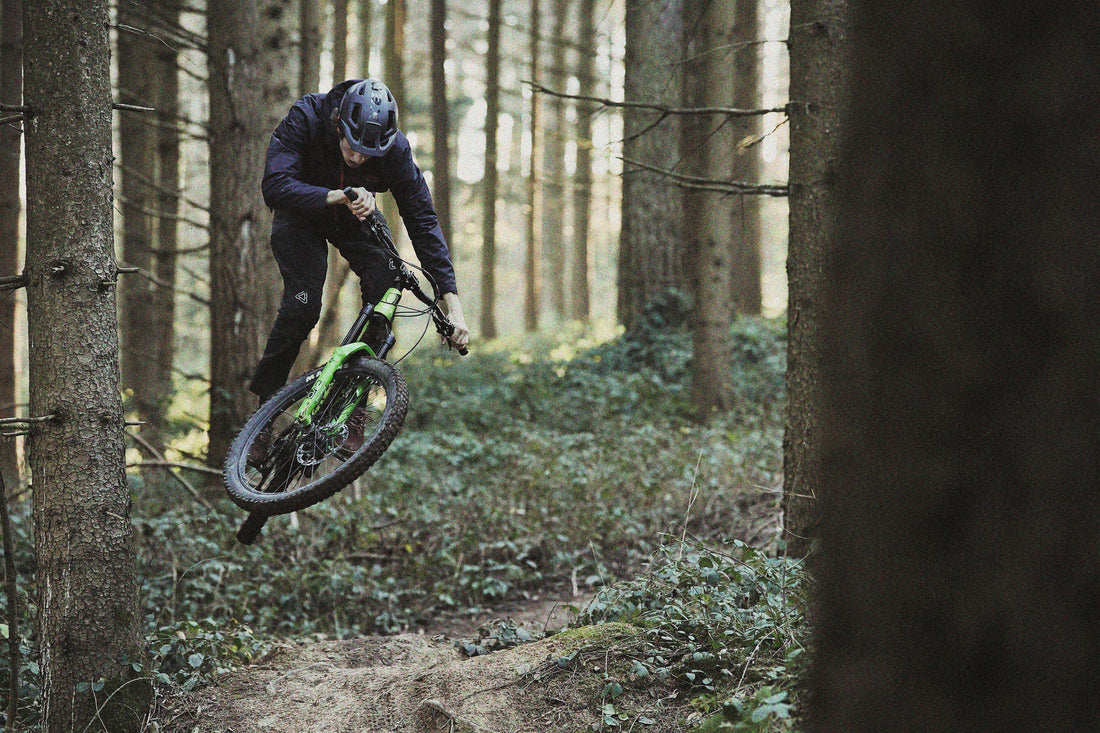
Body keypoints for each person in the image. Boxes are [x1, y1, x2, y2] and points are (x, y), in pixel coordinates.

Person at [249, 78, 469, 407]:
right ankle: (265, 407)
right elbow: (275, 185)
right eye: (352, 146)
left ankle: (351, 405)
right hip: (300, 214)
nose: (357, 158)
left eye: (368, 154)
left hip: (356, 217)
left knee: (388, 287)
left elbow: (423, 221)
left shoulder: (396, 150)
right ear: (339, 123)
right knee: (302, 308)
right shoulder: (307, 116)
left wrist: (454, 307)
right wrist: (336, 195)